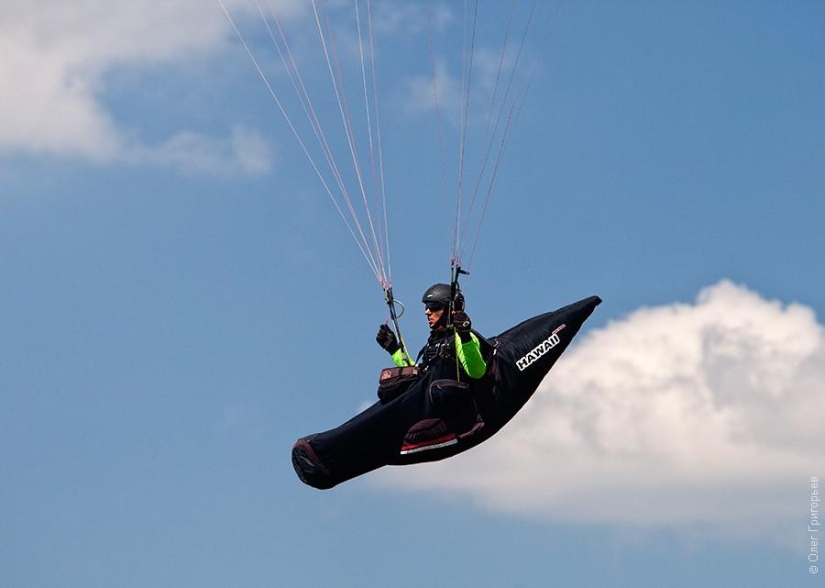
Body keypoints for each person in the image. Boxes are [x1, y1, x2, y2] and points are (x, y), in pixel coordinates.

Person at [376, 283, 487, 380]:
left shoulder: (461, 338)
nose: (427, 312)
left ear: (449, 308)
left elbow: (477, 372)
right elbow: (417, 375)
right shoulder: (433, 342)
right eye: (426, 307)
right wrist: (394, 349)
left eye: (433, 306)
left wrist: (465, 336)